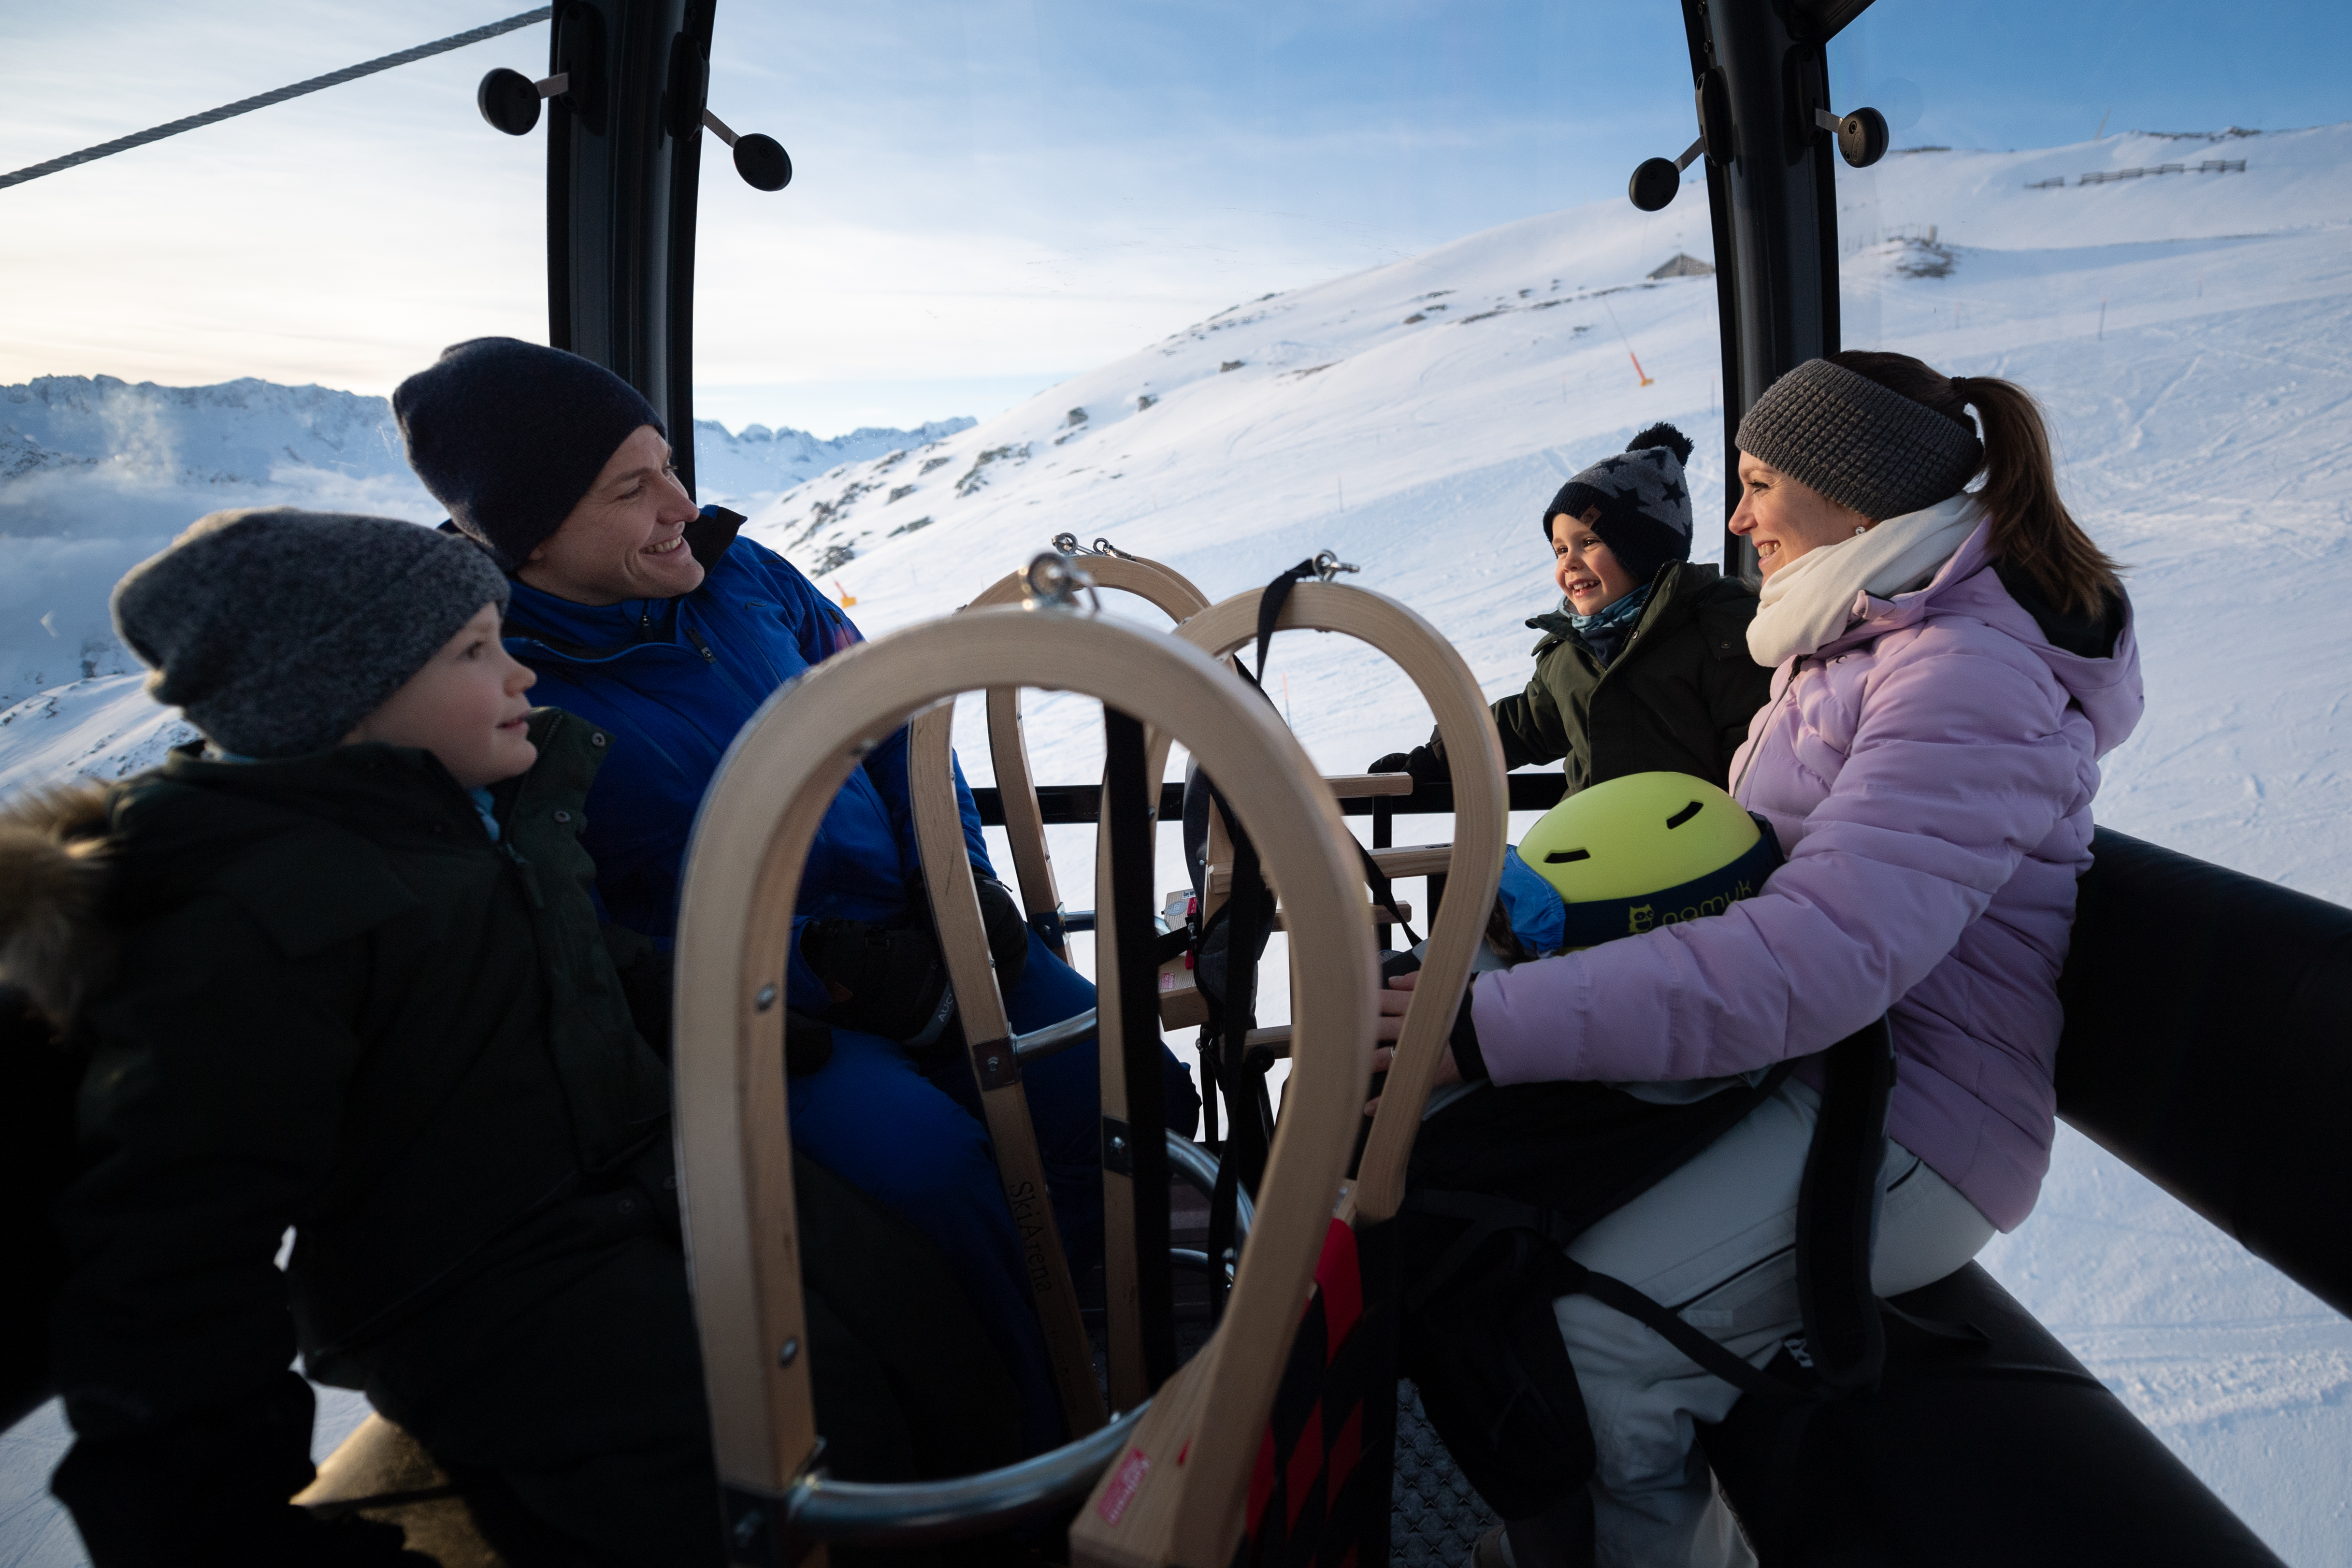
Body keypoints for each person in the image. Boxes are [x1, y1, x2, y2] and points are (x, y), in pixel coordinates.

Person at [25, 510, 1021, 1565]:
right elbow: (173, 1251)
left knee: (915, 1308)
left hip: (631, 1185)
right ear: (343, 701)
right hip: (473, 1285)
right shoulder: (256, 923)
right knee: (753, 1432)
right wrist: (214, 1523)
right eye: (473, 651)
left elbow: (582, 970)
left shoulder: (472, 821)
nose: (521, 678)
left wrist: (762, 1011)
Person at [1378, 353, 2142, 1568]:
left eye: (1756, 483)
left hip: (1915, 1124)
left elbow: (1817, 956)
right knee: (1484, 1186)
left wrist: (1488, 1025)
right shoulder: (1855, 638)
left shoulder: (1961, 675)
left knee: (1597, 1333)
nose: (1734, 520)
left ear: (1853, 492)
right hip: (1828, 1070)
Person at [392, 338, 1199, 1453]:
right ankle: (1028, 1437)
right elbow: (556, 917)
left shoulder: (748, 578)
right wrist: (817, 963)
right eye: (632, 489)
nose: (681, 502)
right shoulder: (495, 676)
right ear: (529, 531)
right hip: (766, 1012)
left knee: (1131, 1088)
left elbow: (896, 717)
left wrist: (955, 870)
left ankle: (1112, 1335)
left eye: (669, 463)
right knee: (932, 1177)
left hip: (929, 930)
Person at [1370, 423, 1771, 797]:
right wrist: (1438, 758)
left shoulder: (1714, 631)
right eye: (1560, 549)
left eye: (1589, 542)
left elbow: (1757, 751)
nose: (1569, 562)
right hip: (1593, 849)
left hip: (1699, 849)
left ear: (1642, 550)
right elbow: (1521, 726)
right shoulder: (1570, 652)